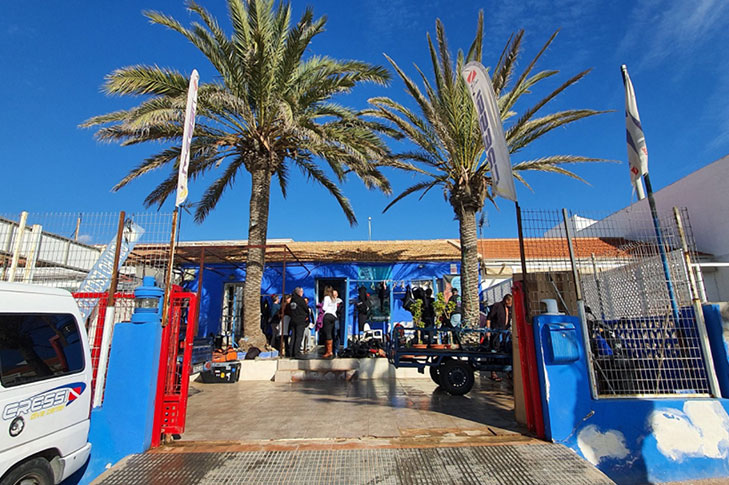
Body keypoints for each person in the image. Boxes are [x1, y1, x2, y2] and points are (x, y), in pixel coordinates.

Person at [485, 294, 513, 381]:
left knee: (506, 350)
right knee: (495, 350)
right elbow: (489, 318)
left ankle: (508, 372)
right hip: (497, 332)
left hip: (505, 332)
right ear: (506, 300)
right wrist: (488, 330)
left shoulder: (510, 309)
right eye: (510, 302)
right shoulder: (497, 306)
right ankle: (493, 373)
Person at [321, 286, 341, 359]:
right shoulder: (334, 299)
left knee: (327, 333)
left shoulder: (327, 298)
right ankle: (332, 350)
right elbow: (335, 308)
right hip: (334, 316)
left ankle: (329, 351)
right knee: (333, 333)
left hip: (327, 316)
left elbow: (324, 308)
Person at [289, 287, 309, 359]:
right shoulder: (301, 300)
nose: (302, 293)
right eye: (302, 291)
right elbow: (306, 309)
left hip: (293, 320)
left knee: (293, 336)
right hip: (300, 321)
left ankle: (291, 352)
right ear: (299, 292)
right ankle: (297, 353)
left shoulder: (292, 300)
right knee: (299, 337)